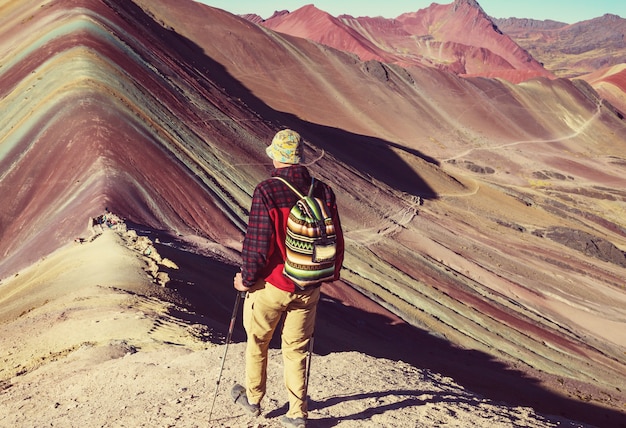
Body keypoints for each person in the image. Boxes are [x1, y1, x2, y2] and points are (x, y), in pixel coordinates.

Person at [232, 129, 344, 428]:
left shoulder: (268, 191)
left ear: (276, 157)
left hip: (272, 285)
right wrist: (326, 276)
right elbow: (336, 239)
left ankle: (254, 400)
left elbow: (257, 244)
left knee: (258, 342)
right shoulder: (322, 190)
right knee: (297, 349)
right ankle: (297, 413)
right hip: (308, 285)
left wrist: (245, 279)